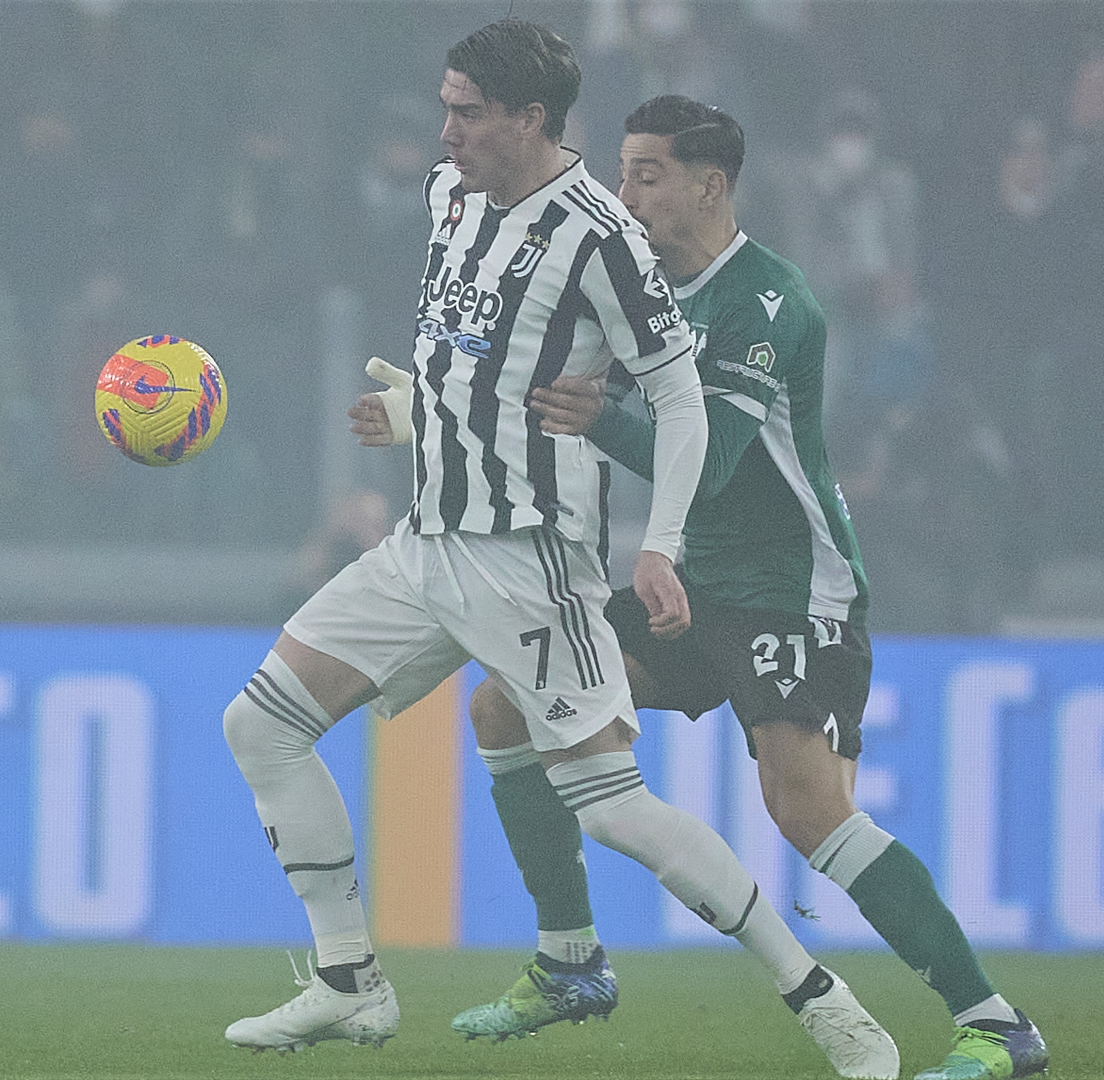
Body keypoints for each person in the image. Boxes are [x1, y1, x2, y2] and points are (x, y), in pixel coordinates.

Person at [221, 24, 896, 1080]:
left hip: (527, 559)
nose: (446, 132)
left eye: (468, 113)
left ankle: (824, 1000)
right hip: (426, 541)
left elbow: (678, 400)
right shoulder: (448, 195)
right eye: (445, 107)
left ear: (531, 119)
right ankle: (349, 982)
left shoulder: (601, 239)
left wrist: (660, 545)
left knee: (615, 804)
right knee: (261, 724)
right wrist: (420, 417)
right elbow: (475, 355)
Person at [446, 95, 1048, 1080]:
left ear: (708, 185)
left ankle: (997, 1024)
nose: (626, 192)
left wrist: (593, 417)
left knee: (808, 811)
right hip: (691, 584)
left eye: (647, 174)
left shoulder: (767, 302)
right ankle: (567, 962)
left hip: (789, 590)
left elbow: (714, 456)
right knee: (507, 700)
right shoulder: (641, 288)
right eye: (622, 171)